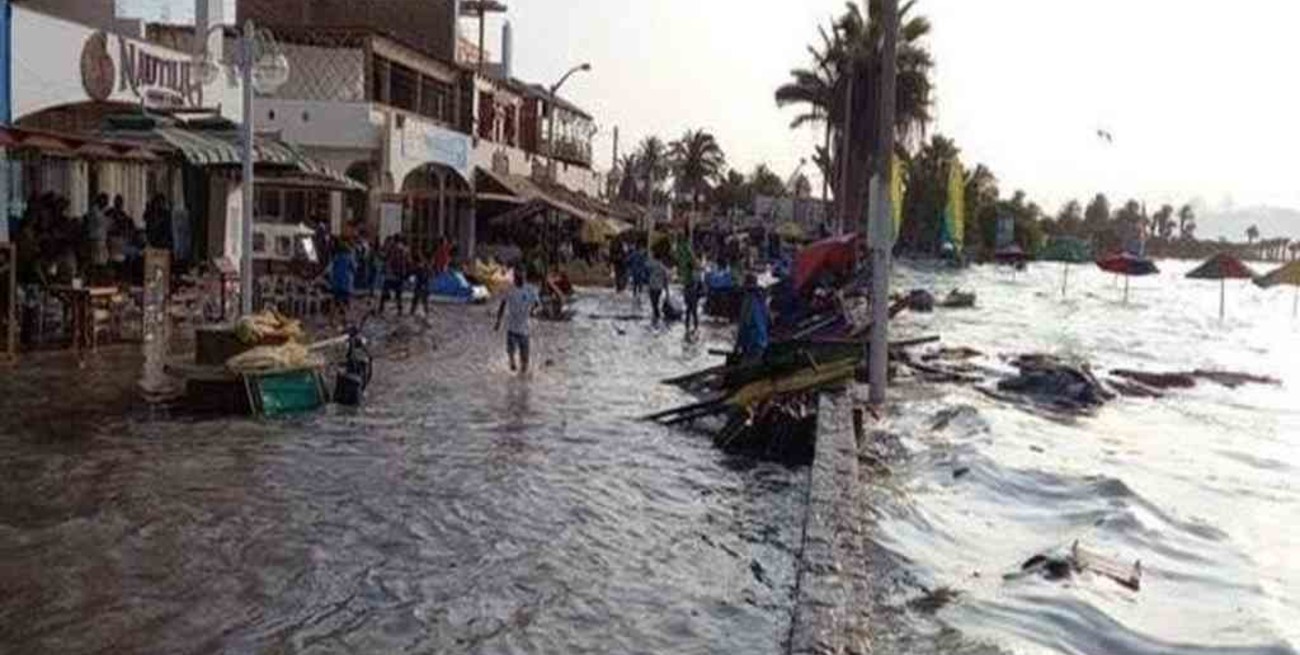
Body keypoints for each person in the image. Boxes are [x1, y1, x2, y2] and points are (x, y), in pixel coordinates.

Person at [494, 268, 541, 374]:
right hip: (512, 328)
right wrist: (498, 321)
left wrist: (533, 311)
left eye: (522, 276)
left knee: (525, 362)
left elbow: (538, 305)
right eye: (518, 276)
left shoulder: (531, 290)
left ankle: (522, 383)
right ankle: (511, 362)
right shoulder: (509, 290)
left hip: (525, 330)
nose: (520, 278)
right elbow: (502, 305)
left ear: (524, 276)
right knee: (511, 354)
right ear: (515, 277)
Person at [736, 273, 770, 362]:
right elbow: (767, 321)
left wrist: (738, 345)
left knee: (745, 366)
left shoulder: (748, 301)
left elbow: (744, 325)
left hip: (753, 343)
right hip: (762, 341)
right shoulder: (762, 299)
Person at [379, 235, 409, 315]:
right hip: (399, 275)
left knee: (385, 291)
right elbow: (406, 263)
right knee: (398, 294)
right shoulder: (404, 249)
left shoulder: (392, 248)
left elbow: (385, 257)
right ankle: (400, 310)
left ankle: (381, 308)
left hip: (391, 274)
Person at [329, 241, 357, 324]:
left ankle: (332, 319)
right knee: (346, 302)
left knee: (335, 301)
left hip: (337, 283)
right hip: (346, 283)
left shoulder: (336, 257)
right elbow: (354, 269)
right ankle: (345, 319)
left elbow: (331, 269)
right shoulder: (350, 257)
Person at [85, 194, 109, 269]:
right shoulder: (95, 211)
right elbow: (100, 222)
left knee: (102, 260)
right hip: (96, 239)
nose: (106, 203)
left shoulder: (101, 211)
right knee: (97, 261)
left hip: (101, 239)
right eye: (104, 200)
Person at [646, 254, 669, 322]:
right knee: (656, 302)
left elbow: (645, 267)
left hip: (652, 286)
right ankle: (656, 315)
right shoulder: (663, 267)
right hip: (659, 287)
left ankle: (656, 316)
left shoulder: (651, 264)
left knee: (653, 303)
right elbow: (665, 280)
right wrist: (667, 291)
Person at [410, 249, 432, 316]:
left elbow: (423, 276)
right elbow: (429, 275)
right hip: (424, 286)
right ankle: (426, 313)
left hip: (421, 286)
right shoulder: (426, 266)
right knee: (422, 302)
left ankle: (413, 312)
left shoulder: (422, 266)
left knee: (417, 301)